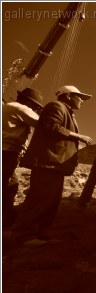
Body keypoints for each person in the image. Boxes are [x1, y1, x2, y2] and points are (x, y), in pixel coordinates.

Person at [13, 85, 93, 245]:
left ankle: (41, 233)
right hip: (47, 163)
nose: (82, 101)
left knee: (50, 202)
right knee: (39, 200)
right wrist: (79, 136)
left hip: (55, 165)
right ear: (69, 96)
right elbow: (51, 126)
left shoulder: (67, 112)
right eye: (79, 97)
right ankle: (24, 236)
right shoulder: (56, 106)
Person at [2, 87, 44, 228]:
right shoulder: (22, 109)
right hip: (7, 151)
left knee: (9, 184)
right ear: (29, 103)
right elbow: (43, 124)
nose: (36, 109)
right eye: (36, 106)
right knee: (9, 186)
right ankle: (6, 218)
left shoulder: (8, 106)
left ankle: (7, 215)